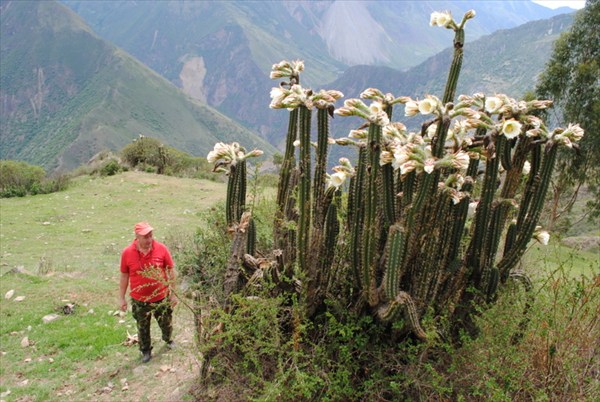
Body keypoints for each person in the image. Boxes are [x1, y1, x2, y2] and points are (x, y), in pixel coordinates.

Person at [119, 221, 178, 363]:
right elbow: (124, 275)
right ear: (137, 237)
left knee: (166, 321)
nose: (149, 239)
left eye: (150, 235)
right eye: (145, 237)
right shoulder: (127, 253)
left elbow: (170, 270)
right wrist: (121, 298)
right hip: (139, 299)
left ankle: (168, 339)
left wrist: (173, 294)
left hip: (161, 297)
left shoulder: (161, 249)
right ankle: (145, 351)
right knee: (142, 327)